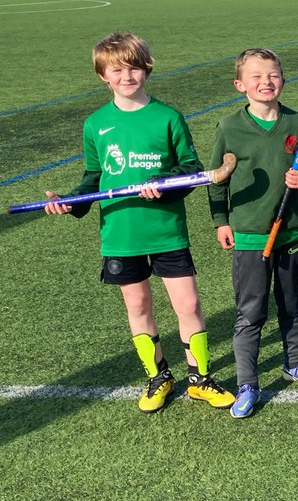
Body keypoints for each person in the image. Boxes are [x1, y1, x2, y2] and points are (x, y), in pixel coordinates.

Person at [43, 32, 234, 413]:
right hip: (120, 234)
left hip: (165, 230)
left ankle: (200, 378)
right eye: (117, 70)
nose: (127, 76)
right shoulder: (96, 124)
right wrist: (70, 202)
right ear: (103, 76)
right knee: (139, 307)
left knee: (189, 305)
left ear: (146, 69)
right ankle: (158, 375)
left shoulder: (167, 117)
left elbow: (191, 170)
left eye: (134, 67)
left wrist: (162, 186)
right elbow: (94, 176)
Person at [207, 48, 298, 419]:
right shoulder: (229, 128)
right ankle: (248, 382)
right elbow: (216, 181)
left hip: (292, 232)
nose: (265, 82)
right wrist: (221, 221)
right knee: (251, 313)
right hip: (249, 236)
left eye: (273, 75)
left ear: (283, 79)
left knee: (291, 305)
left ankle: (295, 362)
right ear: (239, 84)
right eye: (256, 76)